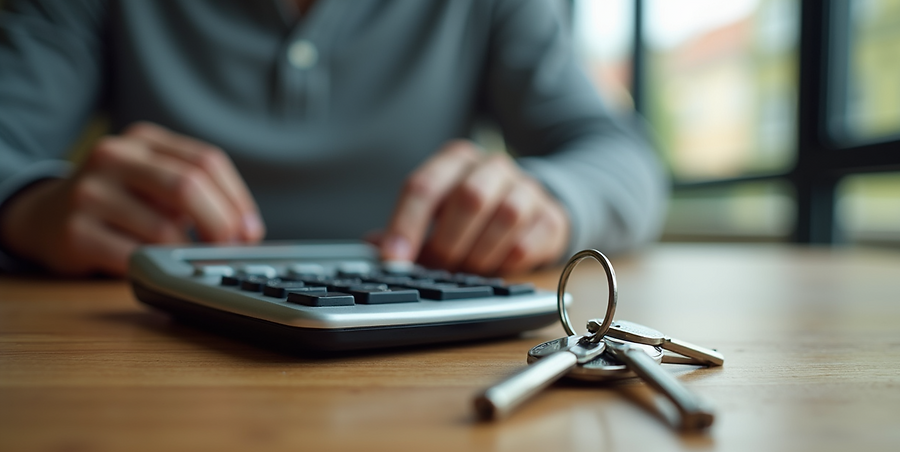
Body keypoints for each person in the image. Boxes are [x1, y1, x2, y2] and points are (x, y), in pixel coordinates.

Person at [0, 0, 668, 277]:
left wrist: (549, 199)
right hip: (139, 365)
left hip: (426, 380)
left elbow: (623, 157)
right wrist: (28, 204)